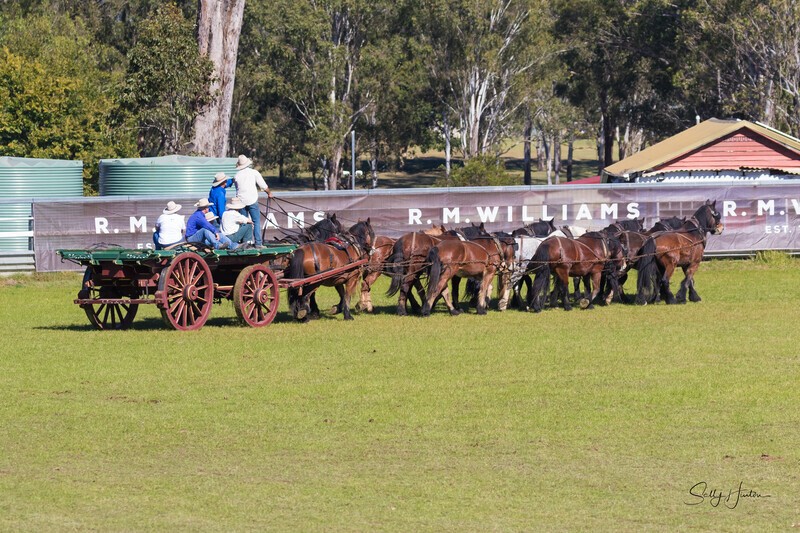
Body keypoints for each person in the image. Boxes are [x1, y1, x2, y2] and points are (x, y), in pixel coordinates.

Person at [233, 154, 272, 247]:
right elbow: (263, 185)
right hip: (252, 200)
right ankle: (258, 243)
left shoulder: (236, 176)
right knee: (256, 221)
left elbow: (237, 188)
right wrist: (269, 193)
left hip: (241, 201)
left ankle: (244, 243)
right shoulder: (254, 172)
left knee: (244, 222)